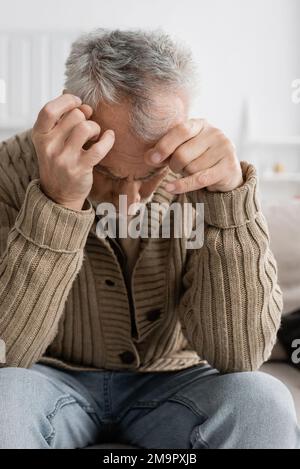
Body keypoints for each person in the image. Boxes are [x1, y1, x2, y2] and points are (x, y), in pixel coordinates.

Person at [0, 28, 299, 449]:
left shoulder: (205, 174)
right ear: (71, 117)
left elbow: (241, 357)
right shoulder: (7, 171)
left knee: (262, 399)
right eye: (105, 172)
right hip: (46, 378)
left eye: (150, 174)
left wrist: (229, 205)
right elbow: (7, 353)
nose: (129, 200)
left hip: (176, 383)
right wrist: (59, 201)